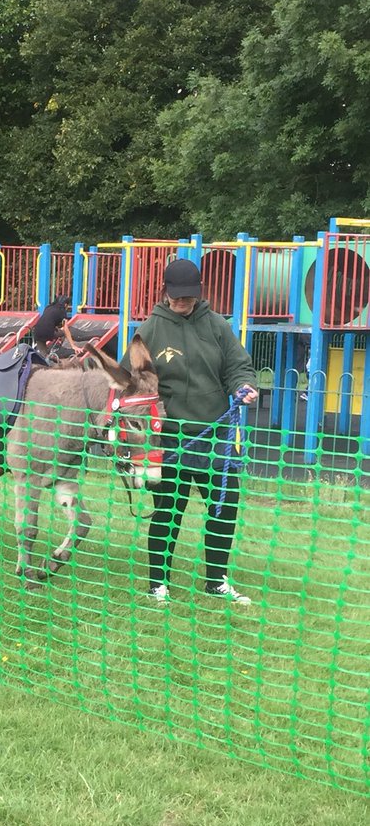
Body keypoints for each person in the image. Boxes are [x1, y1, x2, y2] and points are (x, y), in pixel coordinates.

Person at [134, 258, 259, 605]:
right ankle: (158, 583)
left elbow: (237, 365)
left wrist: (244, 385)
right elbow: (137, 384)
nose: (181, 302)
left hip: (215, 436)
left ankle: (216, 581)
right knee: (168, 511)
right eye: (176, 296)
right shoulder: (150, 330)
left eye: (188, 296)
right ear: (166, 292)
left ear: (198, 292)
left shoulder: (217, 325)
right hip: (171, 438)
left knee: (224, 507)